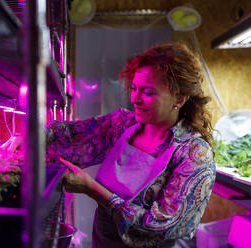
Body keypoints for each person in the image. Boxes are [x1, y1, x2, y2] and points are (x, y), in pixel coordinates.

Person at [46, 42, 216, 248]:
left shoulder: (193, 153)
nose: (134, 98)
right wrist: (37, 136)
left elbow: (161, 226)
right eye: (134, 88)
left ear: (179, 99)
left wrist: (92, 189)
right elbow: (72, 137)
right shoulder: (123, 125)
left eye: (148, 92)